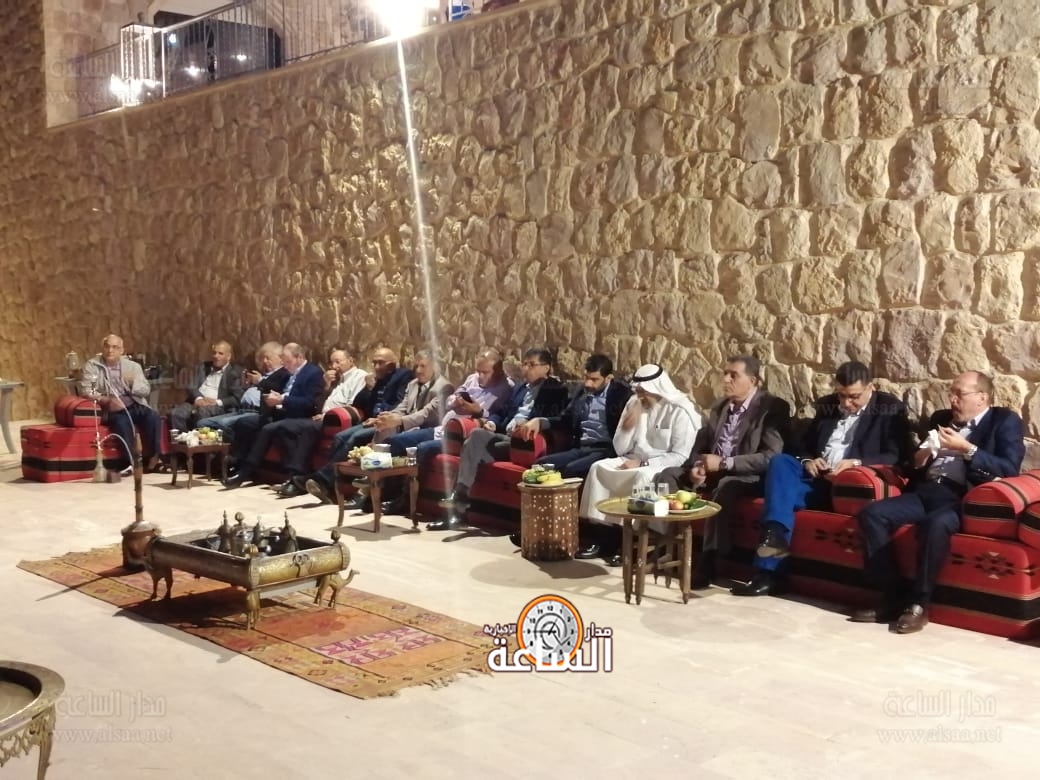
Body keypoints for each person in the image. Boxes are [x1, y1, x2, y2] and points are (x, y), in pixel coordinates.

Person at [852, 371, 1024, 634]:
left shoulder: (1003, 421)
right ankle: (892, 595)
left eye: (959, 394)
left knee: (935, 524)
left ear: (982, 397)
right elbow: (913, 465)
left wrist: (967, 449)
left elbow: (1009, 468)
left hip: (962, 497)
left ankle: (918, 604)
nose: (952, 399)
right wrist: (919, 458)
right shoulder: (941, 419)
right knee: (872, 514)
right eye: (951, 393)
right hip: (926, 492)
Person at [730, 361, 909, 597]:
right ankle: (773, 548)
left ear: (870, 388)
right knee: (781, 463)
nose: (846, 403)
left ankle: (768, 572)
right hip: (818, 480)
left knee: (779, 500)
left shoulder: (889, 409)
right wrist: (809, 460)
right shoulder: (828, 406)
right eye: (841, 395)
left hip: (847, 487)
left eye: (854, 397)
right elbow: (802, 446)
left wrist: (857, 463)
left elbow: (896, 455)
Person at [654, 356, 789, 587]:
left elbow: (771, 456)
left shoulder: (771, 408)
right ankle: (665, 546)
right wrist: (697, 466)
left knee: (725, 486)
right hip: (714, 470)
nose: (726, 379)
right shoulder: (720, 406)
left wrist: (725, 463)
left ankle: (710, 559)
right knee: (667, 476)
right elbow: (700, 447)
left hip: (747, 476)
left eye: (733, 375)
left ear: (753, 380)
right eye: (725, 374)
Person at [431, 347, 569, 531]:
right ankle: (459, 501)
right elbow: (502, 412)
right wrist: (492, 423)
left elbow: (561, 419)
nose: (526, 369)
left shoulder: (556, 390)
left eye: (532, 365)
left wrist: (537, 422)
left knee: (473, 449)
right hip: (505, 436)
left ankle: (458, 507)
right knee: (476, 436)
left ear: (546, 368)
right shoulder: (520, 388)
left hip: (523, 443)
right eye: (524, 364)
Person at [579, 364, 703, 565]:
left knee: (641, 477)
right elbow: (620, 449)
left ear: (657, 388)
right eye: (638, 391)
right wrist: (629, 426)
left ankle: (632, 545)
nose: (640, 396)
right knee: (598, 468)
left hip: (661, 464)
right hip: (632, 459)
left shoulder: (680, 409)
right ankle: (603, 539)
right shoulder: (635, 403)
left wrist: (643, 463)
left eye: (644, 392)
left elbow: (680, 456)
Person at [513, 353, 633, 555]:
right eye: (586, 377)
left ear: (609, 378)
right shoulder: (581, 391)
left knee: (572, 470)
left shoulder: (621, 395)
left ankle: (579, 533)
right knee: (541, 467)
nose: (588, 383)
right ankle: (535, 529)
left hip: (606, 449)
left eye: (594, 379)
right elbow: (565, 419)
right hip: (580, 447)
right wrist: (541, 421)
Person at [303, 347, 413, 505]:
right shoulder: (378, 379)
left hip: (387, 423)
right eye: (374, 363)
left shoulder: (402, 376)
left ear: (391, 365)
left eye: (380, 363)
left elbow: (399, 404)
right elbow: (358, 403)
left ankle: (323, 480)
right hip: (371, 421)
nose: (376, 367)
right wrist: (368, 388)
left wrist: (381, 417)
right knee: (340, 436)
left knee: (355, 437)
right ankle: (332, 486)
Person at [224, 343, 324, 487]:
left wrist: (283, 400)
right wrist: (274, 397)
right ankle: (238, 461)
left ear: (299, 357)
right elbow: (272, 386)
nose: (285, 365)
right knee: (246, 423)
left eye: (288, 361)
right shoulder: (288, 372)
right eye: (284, 361)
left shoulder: (313, 373)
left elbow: (309, 403)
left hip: (299, 415)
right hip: (280, 412)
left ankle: (245, 471)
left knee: (269, 429)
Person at [368, 350, 455, 514]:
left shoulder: (444, 387)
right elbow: (402, 407)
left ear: (435, 367)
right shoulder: (413, 384)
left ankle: (382, 490)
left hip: (427, 428)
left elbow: (426, 414)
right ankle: (371, 485)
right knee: (384, 427)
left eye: (423, 366)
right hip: (409, 425)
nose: (418, 370)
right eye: (416, 366)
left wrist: (399, 421)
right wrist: (387, 417)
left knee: (394, 441)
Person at [274, 348, 368, 497]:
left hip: (336, 420)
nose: (334, 366)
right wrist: (327, 385)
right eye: (332, 362)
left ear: (350, 361)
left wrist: (326, 416)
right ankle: (295, 476)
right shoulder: (337, 379)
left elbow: (352, 404)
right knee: (284, 428)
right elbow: (318, 403)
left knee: (309, 429)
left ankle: (296, 480)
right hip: (322, 416)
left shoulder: (360, 376)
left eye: (338, 362)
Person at [412, 348, 513, 475]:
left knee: (422, 448)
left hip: (459, 436)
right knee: (399, 441)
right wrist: (455, 401)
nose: (480, 376)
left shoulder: (505, 388)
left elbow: (497, 417)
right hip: (442, 428)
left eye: (485, 372)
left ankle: (414, 486)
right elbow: (450, 400)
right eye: (478, 371)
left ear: (498, 371)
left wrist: (479, 411)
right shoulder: (472, 379)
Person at [79, 334, 163, 472]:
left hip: (134, 403)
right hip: (111, 408)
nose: (110, 350)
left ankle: (154, 458)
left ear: (122, 350)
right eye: (107, 346)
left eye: (115, 347)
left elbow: (145, 389)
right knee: (122, 423)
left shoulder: (133, 367)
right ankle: (130, 462)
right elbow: (88, 390)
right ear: (102, 348)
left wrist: (132, 384)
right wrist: (106, 400)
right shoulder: (93, 366)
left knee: (153, 417)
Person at [203, 341, 284, 441]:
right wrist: (246, 386)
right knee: (203, 423)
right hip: (241, 409)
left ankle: (229, 449)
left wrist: (260, 381)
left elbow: (276, 389)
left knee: (223, 424)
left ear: (281, 359)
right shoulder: (264, 374)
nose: (264, 361)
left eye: (268, 358)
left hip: (256, 411)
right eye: (263, 358)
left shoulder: (282, 374)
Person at [168, 340, 244, 432]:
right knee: (176, 413)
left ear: (228, 357)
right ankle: (184, 438)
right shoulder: (203, 366)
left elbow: (237, 397)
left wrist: (216, 402)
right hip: (197, 401)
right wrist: (199, 399)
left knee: (202, 412)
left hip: (218, 406)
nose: (216, 356)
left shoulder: (235, 371)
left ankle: (200, 439)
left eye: (220, 353)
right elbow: (191, 385)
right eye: (214, 353)